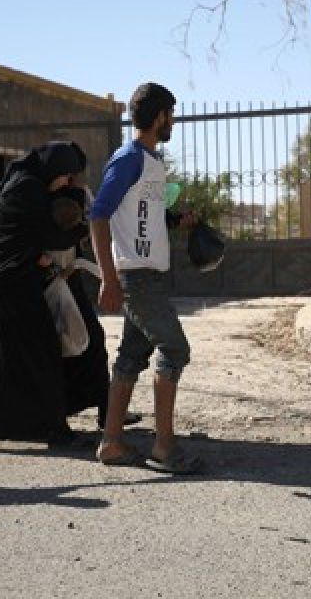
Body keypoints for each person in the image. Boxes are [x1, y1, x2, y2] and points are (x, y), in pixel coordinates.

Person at [0, 141, 121, 448]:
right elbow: (46, 235)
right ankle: (49, 427)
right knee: (20, 359)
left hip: (25, 283)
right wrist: (86, 228)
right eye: (66, 176)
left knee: (15, 360)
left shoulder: (31, 186)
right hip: (13, 286)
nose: (66, 183)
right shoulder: (25, 190)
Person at [91, 82, 203, 473]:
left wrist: (175, 220)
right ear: (160, 117)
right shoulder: (128, 159)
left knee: (131, 357)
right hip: (136, 278)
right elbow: (100, 216)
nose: (173, 121)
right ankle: (164, 448)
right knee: (174, 350)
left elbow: (139, 216)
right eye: (171, 114)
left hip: (149, 277)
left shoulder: (153, 162)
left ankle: (112, 443)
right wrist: (108, 277)